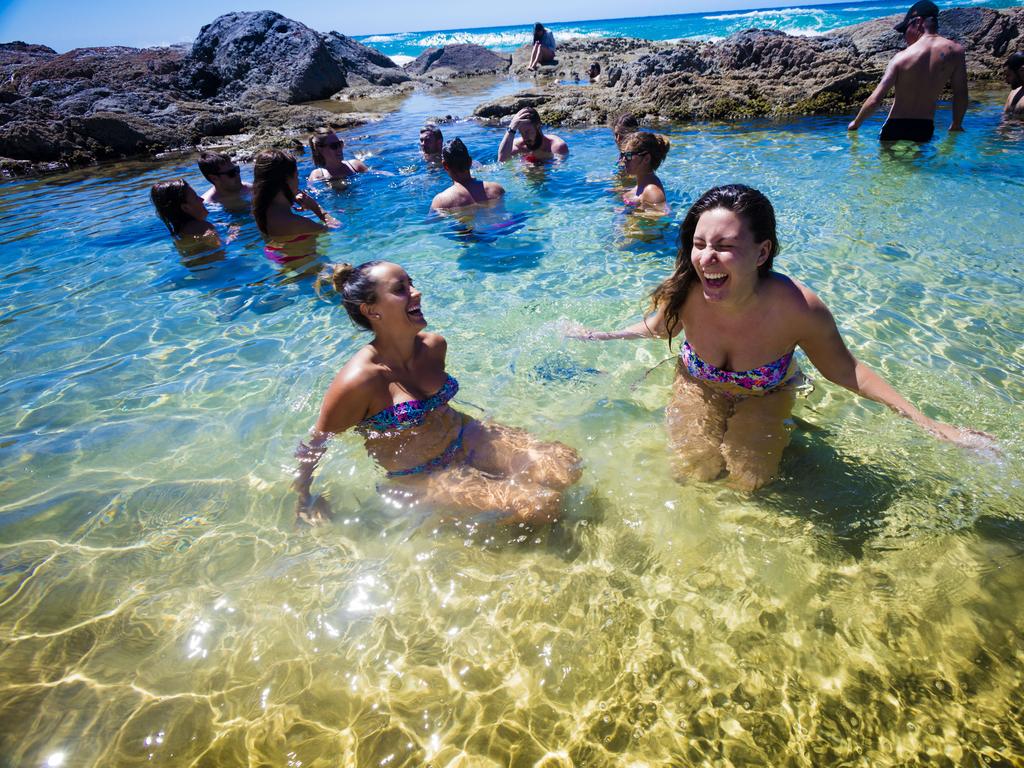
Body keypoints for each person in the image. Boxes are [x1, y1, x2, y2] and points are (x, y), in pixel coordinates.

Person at [572, 184, 992, 491]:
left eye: (724, 246)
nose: (706, 258)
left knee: (750, 483)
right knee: (692, 473)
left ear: (761, 252)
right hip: (697, 386)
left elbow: (847, 370)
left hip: (765, 394)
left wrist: (928, 423)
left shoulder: (798, 307)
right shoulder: (686, 290)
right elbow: (657, 327)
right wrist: (598, 336)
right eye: (699, 244)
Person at [292, 260, 582, 525]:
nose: (416, 293)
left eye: (412, 283)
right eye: (401, 289)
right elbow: (316, 442)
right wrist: (304, 499)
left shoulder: (434, 346)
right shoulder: (359, 381)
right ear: (371, 310)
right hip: (422, 474)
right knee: (540, 504)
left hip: (467, 436)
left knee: (565, 464)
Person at [847, 0, 967, 142]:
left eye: (905, 30)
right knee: (917, 164)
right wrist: (956, 124)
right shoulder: (956, 52)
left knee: (889, 164)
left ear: (918, 22)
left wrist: (856, 123)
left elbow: (875, 100)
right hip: (924, 128)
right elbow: (960, 93)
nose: (904, 36)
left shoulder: (901, 58)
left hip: (894, 128)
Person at [252, 150, 338, 264]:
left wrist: (288, 199)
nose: (298, 181)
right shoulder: (298, 223)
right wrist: (316, 207)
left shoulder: (261, 212)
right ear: (287, 180)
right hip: (314, 270)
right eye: (296, 176)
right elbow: (337, 228)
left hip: (291, 266)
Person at [430, 139, 505, 211]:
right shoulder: (496, 189)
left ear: (445, 166)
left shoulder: (441, 201)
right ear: (470, 162)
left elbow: (431, 223)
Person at [619, 132, 670, 214]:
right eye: (623, 155)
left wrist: (631, 212)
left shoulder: (652, 191)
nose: (623, 159)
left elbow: (661, 221)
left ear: (646, 158)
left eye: (628, 155)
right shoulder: (641, 185)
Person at [150, 179, 217, 240]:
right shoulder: (203, 227)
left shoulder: (180, 232)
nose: (202, 199)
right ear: (186, 208)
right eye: (196, 198)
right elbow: (220, 250)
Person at [498, 107, 569, 163]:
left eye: (527, 131)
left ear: (538, 126)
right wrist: (511, 129)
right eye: (521, 132)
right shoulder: (517, 146)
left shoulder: (556, 146)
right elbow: (502, 161)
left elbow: (558, 173)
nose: (525, 137)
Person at [1004, 52, 1024, 117]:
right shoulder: (1013, 93)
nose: (1006, 81)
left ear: (1022, 70)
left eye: (1009, 75)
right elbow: (1004, 118)